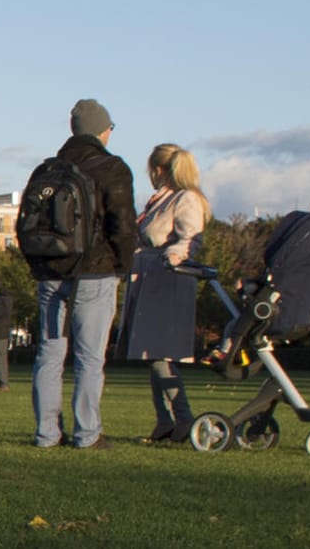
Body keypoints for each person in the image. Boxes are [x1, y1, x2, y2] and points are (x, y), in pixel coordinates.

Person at [29, 99, 135, 450]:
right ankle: (87, 433)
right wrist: (123, 266)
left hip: (51, 271)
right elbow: (122, 223)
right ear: (103, 130)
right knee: (90, 358)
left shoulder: (46, 169)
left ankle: (46, 434)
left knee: (49, 353)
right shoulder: (112, 168)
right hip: (95, 271)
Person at [118, 143, 210, 443]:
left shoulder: (186, 199)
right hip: (148, 280)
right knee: (153, 355)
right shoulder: (161, 201)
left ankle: (181, 418)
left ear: (159, 170)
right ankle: (165, 420)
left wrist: (171, 256)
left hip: (165, 282)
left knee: (160, 355)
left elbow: (190, 239)